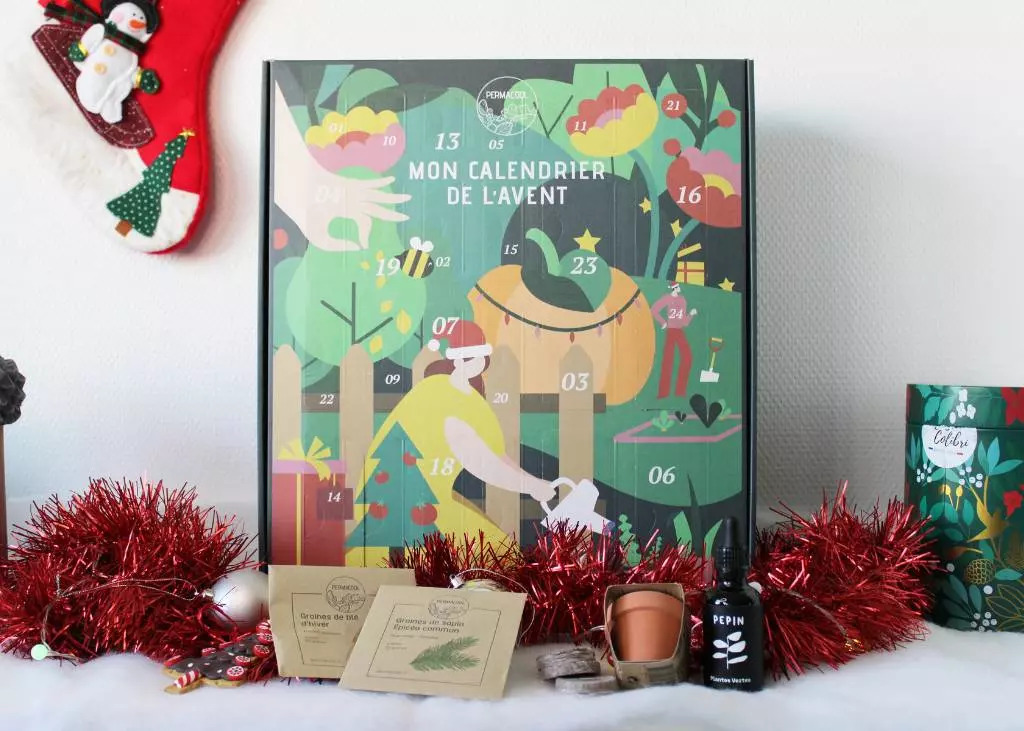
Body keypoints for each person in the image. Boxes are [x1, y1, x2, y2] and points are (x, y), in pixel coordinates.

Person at [346, 320, 556, 566]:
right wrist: (529, 485)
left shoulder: (472, 401)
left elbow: (495, 455)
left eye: (478, 358)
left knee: (499, 554)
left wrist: (531, 482)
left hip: (433, 499)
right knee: (497, 556)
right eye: (468, 358)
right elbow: (480, 461)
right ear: (456, 360)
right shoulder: (440, 393)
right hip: (412, 503)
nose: (475, 363)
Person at [651, 282, 698, 399]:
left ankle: (680, 391)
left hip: (679, 331)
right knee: (668, 361)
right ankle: (663, 393)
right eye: (677, 287)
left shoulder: (682, 300)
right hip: (671, 331)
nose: (679, 288)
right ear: (674, 288)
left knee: (687, 357)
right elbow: (654, 309)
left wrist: (691, 314)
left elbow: (684, 322)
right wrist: (663, 322)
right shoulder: (667, 298)